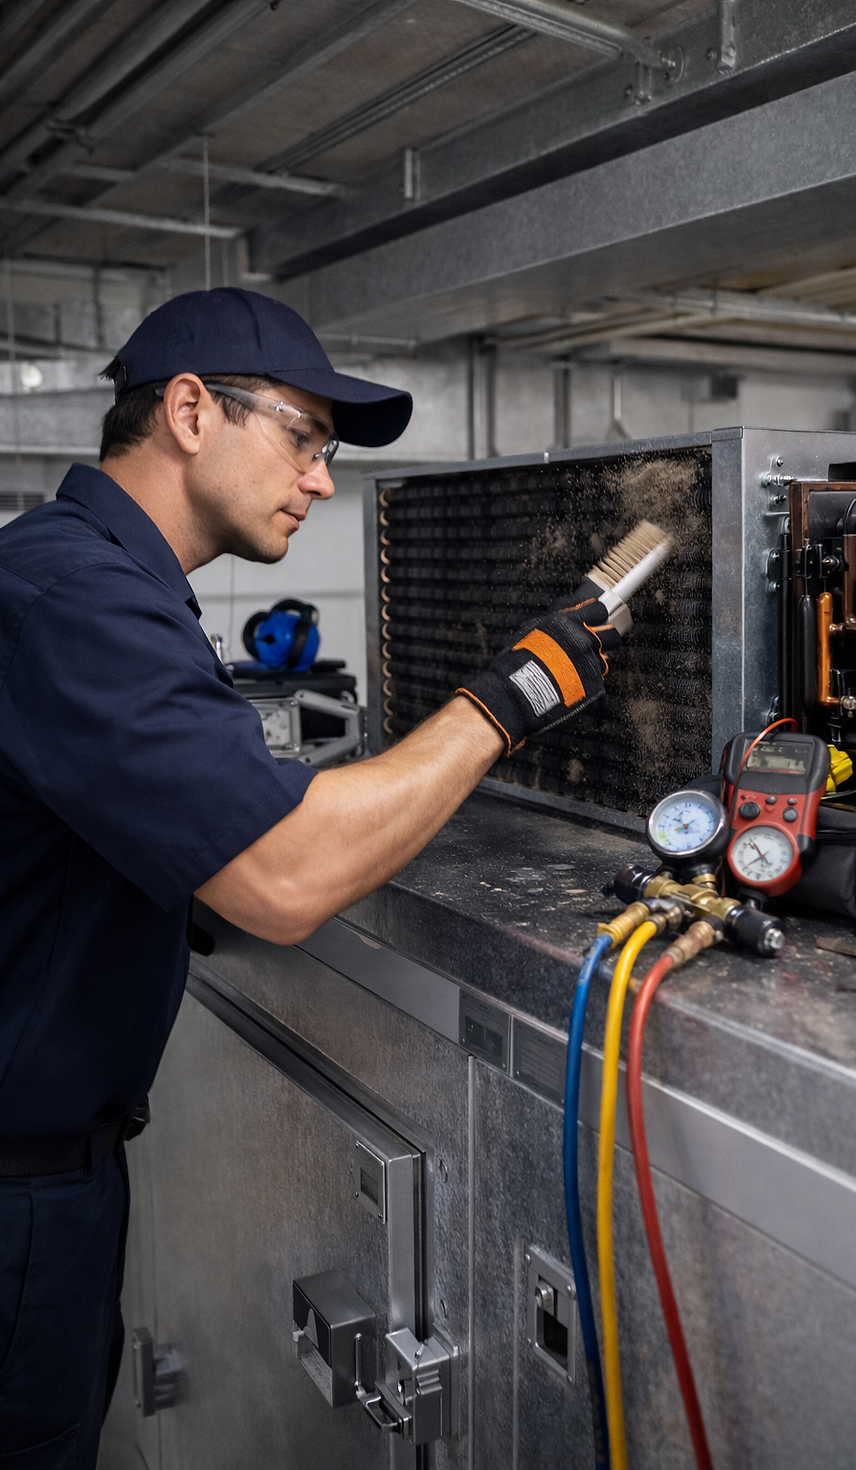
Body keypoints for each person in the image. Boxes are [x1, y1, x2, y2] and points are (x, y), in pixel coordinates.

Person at [0, 288, 623, 1466]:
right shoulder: (73, 594)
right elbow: (281, 880)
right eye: (302, 438)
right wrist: (512, 695)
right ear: (191, 411)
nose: (322, 479)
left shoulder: (91, 579)